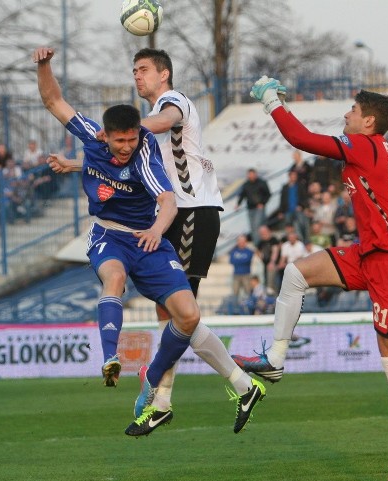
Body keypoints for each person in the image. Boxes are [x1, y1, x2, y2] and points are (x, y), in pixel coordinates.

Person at [35, 47, 264, 436]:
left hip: (188, 211)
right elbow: (110, 155)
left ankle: (164, 396)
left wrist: (130, 126)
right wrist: (83, 160)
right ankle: (214, 390)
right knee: (174, 315)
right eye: (134, 70)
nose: (137, 76)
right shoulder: (127, 141)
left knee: (183, 315)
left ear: (164, 74)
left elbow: (158, 127)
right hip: (161, 217)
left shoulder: (169, 102)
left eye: (144, 70)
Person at [234, 79, 388, 481]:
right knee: (296, 272)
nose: (346, 116)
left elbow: (301, 138)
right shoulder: (369, 148)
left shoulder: (366, 146)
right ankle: (276, 359)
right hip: (368, 254)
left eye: (352, 112)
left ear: (368, 122)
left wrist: (271, 102)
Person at [236, 168, 271, 244]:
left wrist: (263, 203)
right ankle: (257, 244)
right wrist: (238, 204)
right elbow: (242, 195)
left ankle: (260, 243)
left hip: (259, 208)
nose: (251, 176)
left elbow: (268, 194)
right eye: (249, 174)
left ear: (255, 174)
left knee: (257, 225)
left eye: (252, 174)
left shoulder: (262, 182)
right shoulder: (246, 184)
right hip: (250, 208)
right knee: (253, 227)